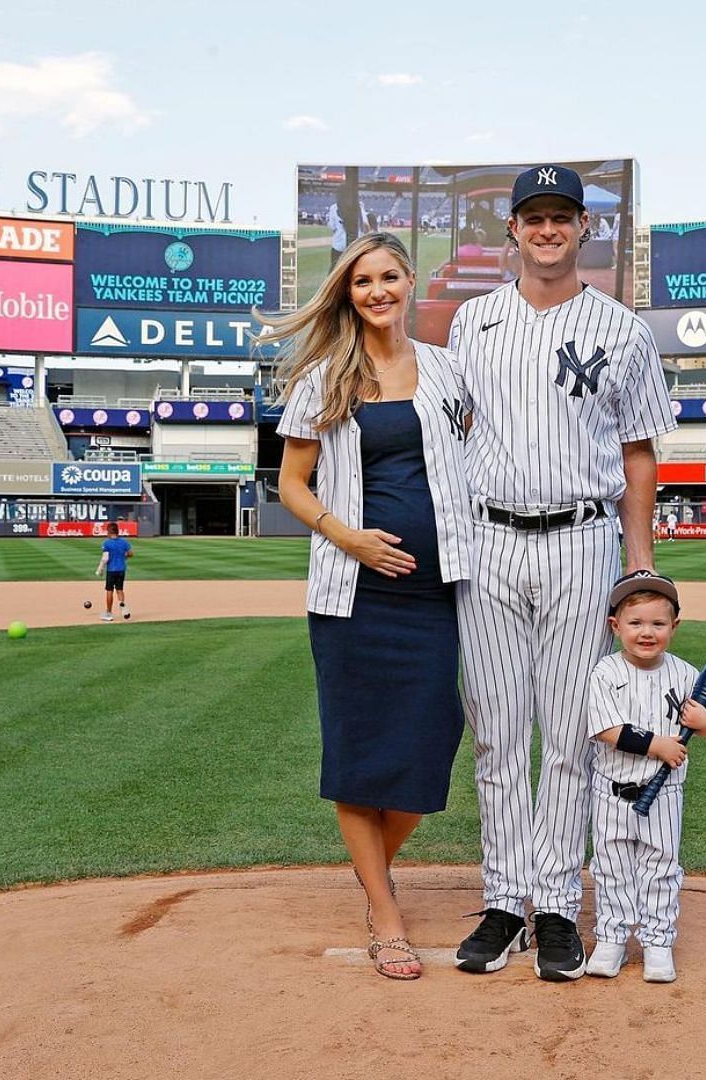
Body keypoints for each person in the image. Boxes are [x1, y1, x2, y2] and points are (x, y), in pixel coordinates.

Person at [450, 164, 678, 981]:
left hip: (582, 541)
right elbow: (451, 435)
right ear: (510, 230)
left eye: (562, 217)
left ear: (586, 229)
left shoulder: (623, 329)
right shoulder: (472, 324)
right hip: (489, 544)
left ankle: (553, 905)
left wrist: (640, 558)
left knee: (570, 738)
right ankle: (504, 900)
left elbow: (639, 449)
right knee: (500, 732)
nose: (547, 230)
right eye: (532, 217)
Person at [265, 230, 476, 980]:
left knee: (431, 740)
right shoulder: (325, 377)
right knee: (358, 758)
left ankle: (372, 877)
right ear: (348, 295)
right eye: (362, 282)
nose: (378, 291)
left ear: (410, 281)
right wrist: (347, 537)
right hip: (351, 596)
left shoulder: (451, 371)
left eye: (389, 276)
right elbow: (292, 485)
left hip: (438, 592)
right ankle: (385, 913)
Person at [583, 572, 706, 983]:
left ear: (674, 627)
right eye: (636, 623)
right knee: (611, 867)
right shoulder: (604, 672)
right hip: (611, 791)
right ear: (615, 626)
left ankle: (658, 941)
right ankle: (612, 938)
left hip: (664, 794)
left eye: (658, 624)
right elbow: (606, 729)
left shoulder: (685, 674)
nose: (647, 633)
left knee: (660, 865)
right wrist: (656, 745)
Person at [96, 520, 132, 621]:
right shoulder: (124, 542)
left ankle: (109, 612)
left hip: (112, 570)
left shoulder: (107, 543)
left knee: (109, 590)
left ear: (109, 532)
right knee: (119, 589)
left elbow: (105, 558)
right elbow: (130, 553)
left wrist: (100, 569)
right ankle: (122, 604)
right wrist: (124, 555)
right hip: (122, 569)